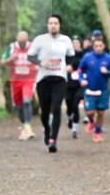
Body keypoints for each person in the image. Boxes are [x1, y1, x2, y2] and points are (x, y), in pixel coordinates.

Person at [27, 15, 75, 153]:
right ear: (47, 25)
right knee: (45, 111)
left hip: (60, 78)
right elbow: (30, 56)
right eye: (51, 23)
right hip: (43, 79)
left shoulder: (65, 40)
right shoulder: (40, 40)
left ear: (59, 25)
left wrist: (70, 66)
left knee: (56, 107)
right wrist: (41, 63)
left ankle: (53, 140)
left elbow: (71, 57)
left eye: (56, 23)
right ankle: (47, 130)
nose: (53, 25)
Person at [78, 36, 110, 142]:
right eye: (96, 46)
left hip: (103, 90)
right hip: (90, 90)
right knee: (90, 112)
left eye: (100, 46)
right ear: (93, 47)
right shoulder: (87, 57)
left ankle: (97, 133)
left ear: (103, 46)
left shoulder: (108, 59)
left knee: (101, 113)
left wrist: (107, 72)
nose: (98, 48)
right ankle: (91, 121)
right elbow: (80, 70)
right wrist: (81, 80)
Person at [0, 30, 37, 140]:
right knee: (19, 104)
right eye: (20, 42)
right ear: (17, 40)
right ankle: (24, 128)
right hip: (16, 80)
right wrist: (10, 59)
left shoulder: (33, 47)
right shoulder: (11, 47)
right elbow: (2, 62)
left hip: (29, 80)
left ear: (27, 39)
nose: (22, 45)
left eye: (23, 42)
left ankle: (28, 126)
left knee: (26, 101)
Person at [65, 37, 84, 138]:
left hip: (79, 84)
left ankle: (75, 129)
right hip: (68, 84)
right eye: (73, 43)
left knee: (75, 104)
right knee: (69, 104)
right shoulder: (66, 56)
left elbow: (83, 65)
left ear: (80, 44)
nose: (75, 44)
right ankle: (70, 116)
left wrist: (73, 67)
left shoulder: (83, 55)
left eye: (77, 43)